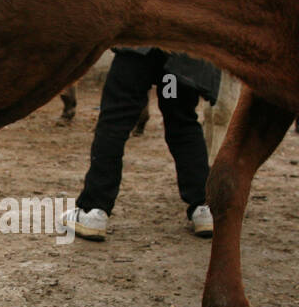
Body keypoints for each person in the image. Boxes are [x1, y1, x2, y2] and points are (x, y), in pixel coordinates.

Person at [62, 47, 217, 241]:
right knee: (181, 121)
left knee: (115, 122)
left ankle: (94, 210)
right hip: (177, 63)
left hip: (140, 53)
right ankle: (204, 208)